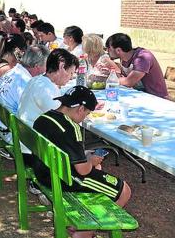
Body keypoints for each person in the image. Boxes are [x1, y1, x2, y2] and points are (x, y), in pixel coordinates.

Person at [33, 86, 131, 238]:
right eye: (86, 114)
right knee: (124, 190)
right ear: (80, 109)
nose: (84, 118)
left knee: (98, 168)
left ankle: (83, 222)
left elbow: (65, 150)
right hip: (64, 179)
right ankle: (84, 232)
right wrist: (90, 160)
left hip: (43, 172)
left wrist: (88, 159)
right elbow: (83, 170)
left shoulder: (43, 119)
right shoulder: (71, 128)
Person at [17, 48, 79, 126]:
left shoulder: (38, 80)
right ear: (62, 67)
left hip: (27, 131)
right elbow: (64, 120)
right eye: (71, 73)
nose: (71, 77)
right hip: (35, 135)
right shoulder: (45, 89)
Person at [105, 33, 168, 99]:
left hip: (157, 98)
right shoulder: (124, 58)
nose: (107, 51)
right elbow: (123, 78)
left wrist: (110, 80)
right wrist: (109, 73)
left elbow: (128, 82)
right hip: (140, 96)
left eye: (108, 48)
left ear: (118, 50)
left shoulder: (142, 58)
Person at [0, 45, 49, 114]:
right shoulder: (26, 83)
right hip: (11, 122)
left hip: (1, 117)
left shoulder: (13, 72)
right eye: (46, 65)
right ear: (37, 66)